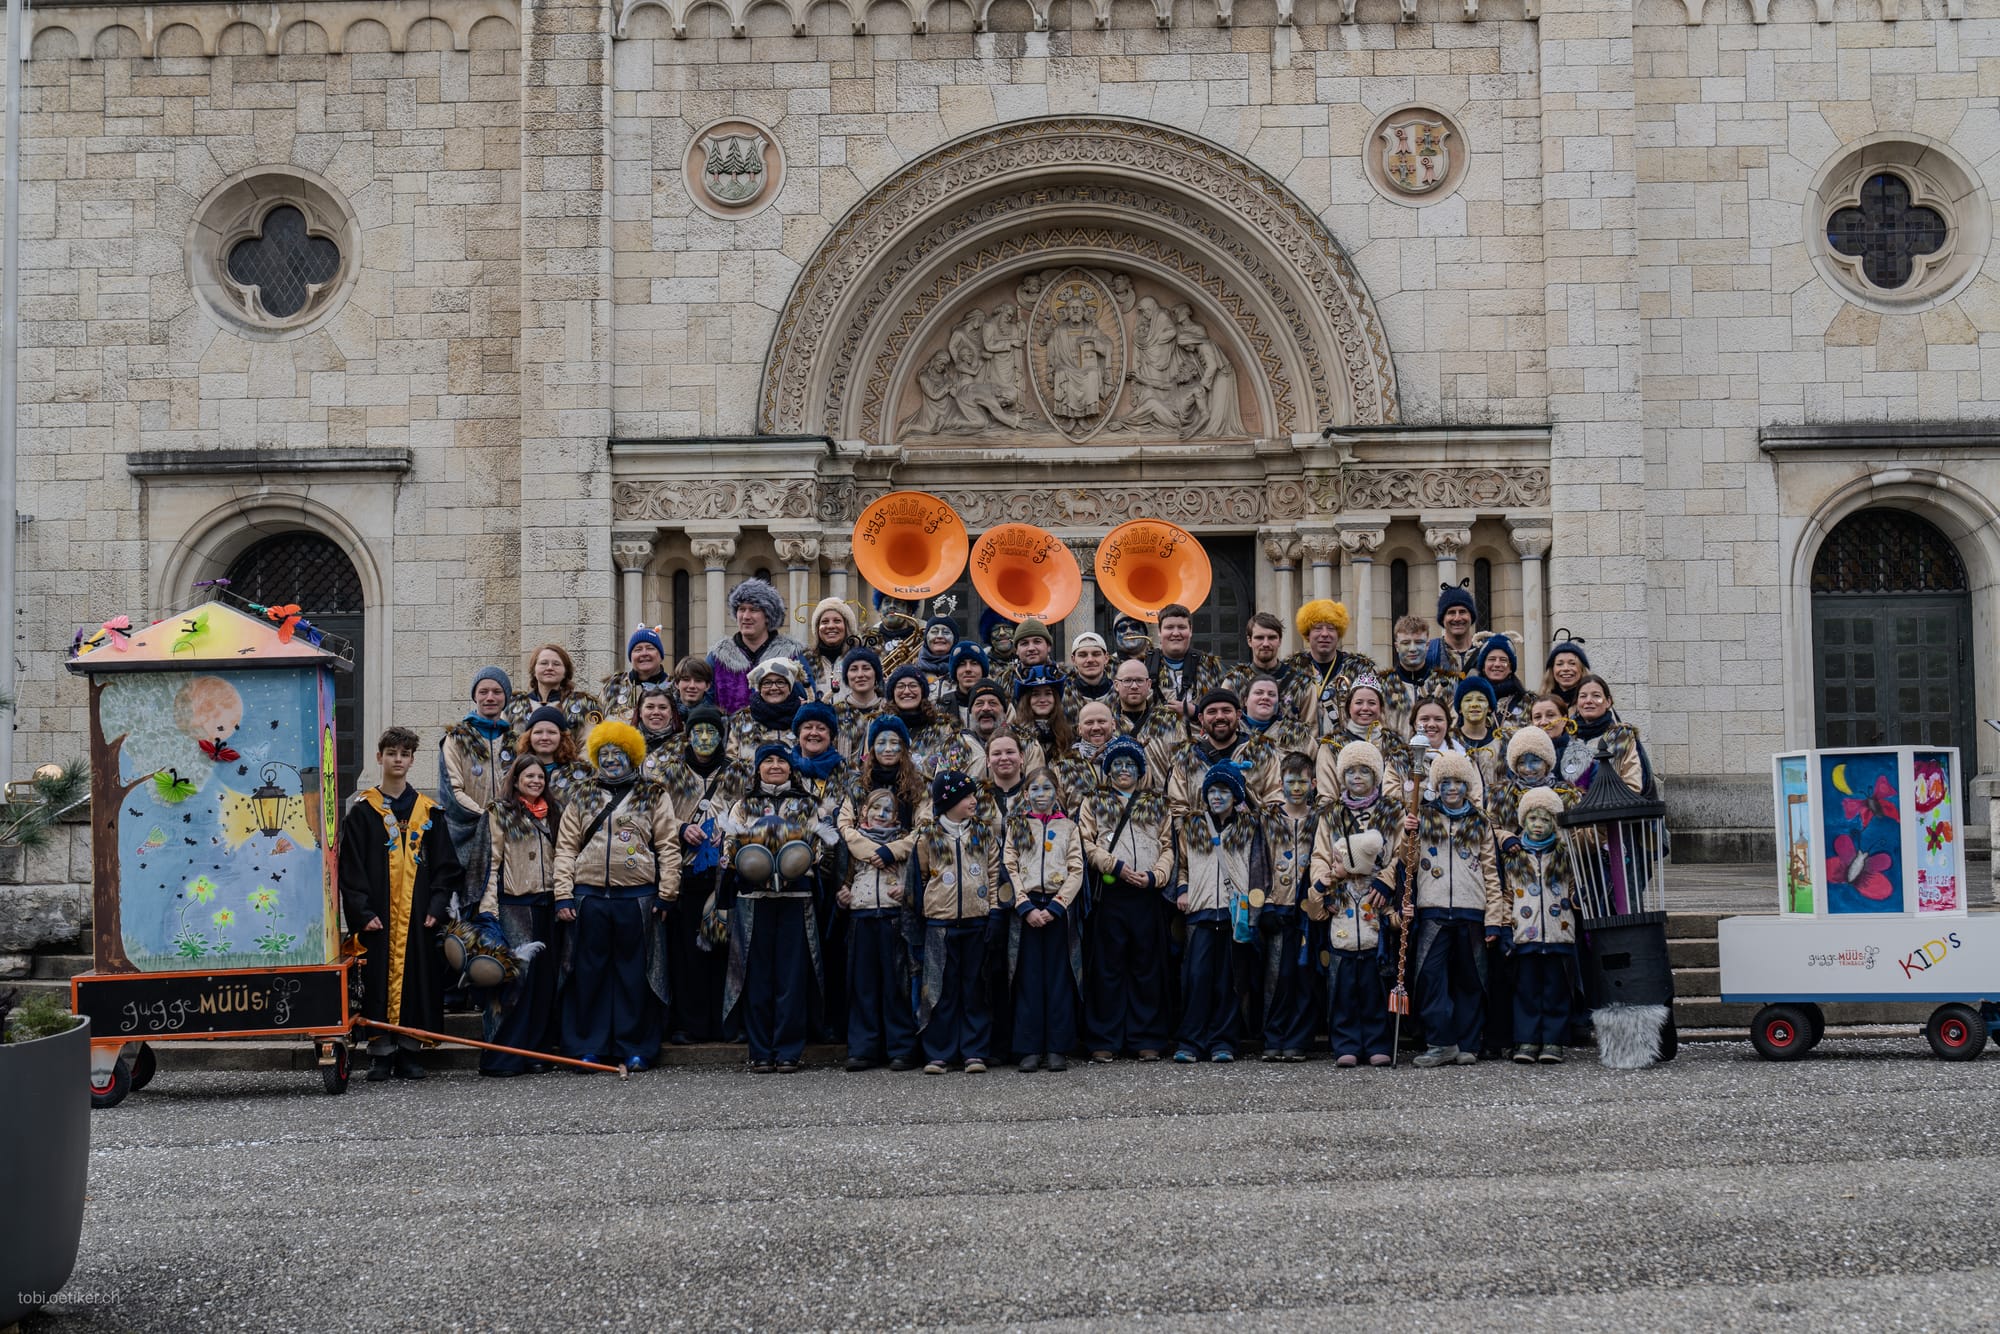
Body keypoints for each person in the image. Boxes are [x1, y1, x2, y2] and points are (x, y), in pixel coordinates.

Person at [340, 727, 466, 1082]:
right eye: (391, 753)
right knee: (378, 980)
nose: (398, 759)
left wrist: (437, 906)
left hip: (417, 914)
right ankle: (380, 1052)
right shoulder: (363, 812)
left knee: (417, 980)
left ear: (412, 760)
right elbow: (351, 868)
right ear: (379, 757)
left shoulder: (429, 812)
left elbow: (446, 867)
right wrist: (362, 912)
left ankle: (411, 1049)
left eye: (405, 754)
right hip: (379, 914)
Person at [555, 720, 679, 1072]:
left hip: (636, 897)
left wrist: (668, 892)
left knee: (633, 975)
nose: (611, 760)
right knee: (588, 974)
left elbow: (667, 845)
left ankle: (634, 1045)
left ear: (632, 756)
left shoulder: (654, 793)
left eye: (618, 753)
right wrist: (563, 895)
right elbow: (565, 848)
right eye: (604, 753)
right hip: (589, 897)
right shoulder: (582, 794)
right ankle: (587, 1046)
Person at [720, 744, 828, 1073]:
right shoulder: (744, 805)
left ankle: (788, 1049)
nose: (776, 765)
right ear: (758, 768)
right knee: (757, 976)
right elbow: (729, 843)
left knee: (792, 976)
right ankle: (760, 1049)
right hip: (754, 899)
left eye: (782, 760)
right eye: (768, 760)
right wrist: (747, 857)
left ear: (791, 767)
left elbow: (820, 846)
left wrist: (797, 856)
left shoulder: (807, 804)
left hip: (796, 898)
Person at [1402, 750, 1503, 1068]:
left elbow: (1491, 871)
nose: (1452, 789)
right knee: (1430, 977)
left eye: (1458, 782)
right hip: (1433, 908)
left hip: (1471, 907)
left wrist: (1494, 919)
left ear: (1467, 786)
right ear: (1437, 786)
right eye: (1445, 782)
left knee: (1471, 978)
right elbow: (1408, 862)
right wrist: (1408, 834)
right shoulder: (1423, 815)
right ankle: (1441, 1041)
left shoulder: (1479, 820)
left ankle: (1469, 1042)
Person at [649, 701, 740, 1044]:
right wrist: (681, 826)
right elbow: (654, 817)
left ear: (721, 736)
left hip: (725, 874)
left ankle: (724, 1021)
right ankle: (689, 1023)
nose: (704, 737)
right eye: (698, 732)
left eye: (711, 732)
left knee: (723, 949)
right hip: (684, 872)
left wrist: (730, 832)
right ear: (687, 737)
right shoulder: (669, 774)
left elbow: (749, 811)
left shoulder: (738, 772)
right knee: (688, 952)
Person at [1080, 737, 1175, 1062]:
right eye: (1117, 764)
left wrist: (1155, 877)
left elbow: (1167, 846)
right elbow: (1086, 843)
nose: (1123, 770)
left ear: (1140, 769)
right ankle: (1104, 1037)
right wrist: (1114, 866)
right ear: (1108, 770)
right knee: (1108, 967)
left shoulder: (1155, 803)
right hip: (1111, 892)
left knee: (1146, 967)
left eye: (1130, 764)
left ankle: (1146, 1037)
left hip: (1146, 893)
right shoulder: (1093, 802)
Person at [906, 769, 1003, 1074]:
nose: (975, 800)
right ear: (948, 801)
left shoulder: (983, 833)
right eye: (968, 796)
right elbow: (918, 880)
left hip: (977, 921)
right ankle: (939, 1052)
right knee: (941, 991)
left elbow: (995, 873)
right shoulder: (927, 836)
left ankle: (974, 1051)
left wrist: (995, 911)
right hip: (940, 926)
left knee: (975, 989)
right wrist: (921, 920)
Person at [1307, 740, 1398, 1068]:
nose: (1357, 777)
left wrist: (1387, 881)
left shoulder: (1390, 813)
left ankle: (1377, 1041)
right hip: (1343, 905)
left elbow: (1401, 854)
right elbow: (1319, 855)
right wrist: (1326, 884)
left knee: (1375, 984)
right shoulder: (1331, 815)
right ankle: (1345, 1041)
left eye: (1364, 771)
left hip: (1374, 905)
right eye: (1350, 772)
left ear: (1376, 775)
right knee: (1344, 985)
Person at [1171, 765, 1267, 1064]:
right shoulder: (1192, 826)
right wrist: (1183, 890)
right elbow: (1183, 865)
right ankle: (1191, 1041)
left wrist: (1253, 907)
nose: (1216, 797)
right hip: (1200, 911)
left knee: (1229, 980)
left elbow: (1257, 868)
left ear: (1236, 796)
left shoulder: (1250, 827)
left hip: (1233, 912)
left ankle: (1223, 1041)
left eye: (1224, 791)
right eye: (1212, 791)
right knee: (1197, 978)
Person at [475, 755, 562, 1077]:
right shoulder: (500, 812)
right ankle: (504, 1056)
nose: (536, 781)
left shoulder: (553, 813)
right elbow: (490, 863)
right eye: (529, 776)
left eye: (540, 776)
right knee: (514, 985)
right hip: (513, 906)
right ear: (516, 779)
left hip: (547, 905)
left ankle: (536, 1052)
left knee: (542, 986)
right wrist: (488, 913)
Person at [1003, 767, 1085, 1072]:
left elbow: (1076, 869)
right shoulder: (1018, 826)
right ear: (1026, 794)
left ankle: (1057, 1046)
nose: (1041, 795)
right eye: (1034, 789)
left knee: (1058, 977)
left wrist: (1057, 906)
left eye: (1047, 789)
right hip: (1027, 909)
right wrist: (1024, 905)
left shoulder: (1069, 828)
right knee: (1029, 978)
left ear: (1057, 793)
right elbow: (1009, 865)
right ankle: (1028, 1046)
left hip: (1057, 908)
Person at [837, 779, 922, 1073]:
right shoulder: (852, 844)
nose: (882, 814)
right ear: (863, 813)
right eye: (875, 808)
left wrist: (905, 890)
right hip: (861, 916)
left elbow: (916, 877)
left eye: (888, 809)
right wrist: (842, 894)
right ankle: (863, 1047)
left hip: (892, 917)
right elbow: (844, 877)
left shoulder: (905, 843)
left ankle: (901, 1047)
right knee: (863, 985)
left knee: (896, 984)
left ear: (897, 817)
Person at [1503, 786, 1580, 1064]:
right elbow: (1506, 895)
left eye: (1545, 820)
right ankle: (1526, 1039)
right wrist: (1503, 927)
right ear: (1524, 821)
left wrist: (1577, 897)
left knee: (1556, 990)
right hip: (1525, 933)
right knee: (1526, 990)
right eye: (1533, 819)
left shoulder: (1565, 854)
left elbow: (1573, 887)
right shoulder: (1514, 856)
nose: (1538, 825)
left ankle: (1553, 1041)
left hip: (1559, 933)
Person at [1256, 751, 1321, 1062]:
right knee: (1276, 976)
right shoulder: (1269, 819)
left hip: (1309, 908)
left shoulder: (1320, 819)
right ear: (1280, 783)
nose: (1296, 788)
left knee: (1304, 974)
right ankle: (1273, 1036)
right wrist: (1265, 903)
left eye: (1302, 782)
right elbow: (1260, 862)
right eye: (1291, 781)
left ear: (1313, 784)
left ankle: (1298, 1038)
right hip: (1278, 906)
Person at [439, 667, 515, 919]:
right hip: (470, 835)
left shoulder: (516, 740)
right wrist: (486, 819)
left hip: (511, 835)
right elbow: (453, 790)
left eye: (496, 691)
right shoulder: (457, 739)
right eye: (483, 691)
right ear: (475, 696)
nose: (490, 697)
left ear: (505, 696)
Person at [1166, 688, 1281, 820]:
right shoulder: (1187, 758)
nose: (1220, 716)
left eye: (1226, 710)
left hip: (1250, 838)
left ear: (1238, 715)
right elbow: (1177, 808)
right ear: (1201, 718)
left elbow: (1275, 799)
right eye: (1212, 712)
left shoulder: (1263, 754)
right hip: (1202, 839)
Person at [710, 578, 806, 715]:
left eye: (754, 610)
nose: (746, 616)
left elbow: (807, 698)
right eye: (741, 609)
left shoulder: (791, 655)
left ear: (768, 615)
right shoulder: (717, 657)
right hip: (731, 734)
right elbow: (704, 703)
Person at [1289, 600, 1373, 736]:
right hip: (1304, 750)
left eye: (1331, 628)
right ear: (1307, 633)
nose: (1324, 634)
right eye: (1318, 628)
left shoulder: (1360, 670)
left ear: (1338, 633)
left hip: (1347, 749)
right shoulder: (1292, 671)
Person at [1144, 603, 1223, 731]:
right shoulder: (1144, 665)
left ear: (1190, 631)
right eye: (1169, 627)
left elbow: (1223, 711)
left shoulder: (1209, 666)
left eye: (1182, 627)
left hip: (1198, 745)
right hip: (1153, 746)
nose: (1176, 633)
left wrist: (1195, 711)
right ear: (1159, 631)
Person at [507, 644, 604, 743]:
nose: (549, 668)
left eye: (556, 664)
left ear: (565, 672)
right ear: (534, 670)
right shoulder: (515, 704)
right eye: (543, 663)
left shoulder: (584, 705)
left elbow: (588, 745)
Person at [1381, 613, 1457, 740]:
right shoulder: (1383, 686)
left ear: (1427, 646)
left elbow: (1453, 727)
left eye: (1418, 642)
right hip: (1394, 757)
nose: (1412, 649)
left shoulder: (1446, 684)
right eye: (1406, 643)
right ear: (1397, 647)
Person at [1572, 674, 1648, 795]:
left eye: (1596, 696)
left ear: (1608, 702)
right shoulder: (1567, 738)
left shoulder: (1622, 738)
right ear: (1577, 703)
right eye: (1583, 696)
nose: (1588, 701)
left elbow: (1633, 786)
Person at [1112, 657, 1178, 784]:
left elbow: (1180, 768)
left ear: (1148, 684)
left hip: (1160, 799)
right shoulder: (1107, 723)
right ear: (1116, 685)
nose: (1134, 686)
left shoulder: (1168, 722)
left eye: (1139, 681)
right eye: (1127, 681)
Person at [728, 658, 805, 763]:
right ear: (760, 688)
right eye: (767, 683)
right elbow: (730, 758)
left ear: (790, 687)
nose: (774, 688)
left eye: (780, 682)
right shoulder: (742, 719)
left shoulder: (804, 717)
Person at [520, 704, 594, 807]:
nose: (544, 737)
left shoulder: (578, 775)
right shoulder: (518, 771)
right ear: (529, 737)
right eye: (538, 732)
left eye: (552, 732)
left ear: (562, 737)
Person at [1052, 699, 1115, 810]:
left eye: (1101, 721)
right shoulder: (1064, 768)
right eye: (1089, 723)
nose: (1096, 727)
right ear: (1079, 729)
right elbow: (1057, 812)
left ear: (1113, 725)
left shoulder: (1130, 761)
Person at [1450, 675, 1506, 798]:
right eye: (1468, 700)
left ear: (1490, 707)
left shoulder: (1503, 743)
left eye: (1481, 699)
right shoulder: (1450, 743)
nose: (1474, 704)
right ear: (1459, 708)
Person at [1224, 612, 1291, 706]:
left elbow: (1311, 720)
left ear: (1279, 641)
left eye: (1272, 638)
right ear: (1249, 641)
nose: (1266, 644)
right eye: (1259, 638)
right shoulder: (1234, 683)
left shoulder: (1298, 682)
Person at [604, 625, 672, 718]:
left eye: (650, 648)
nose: (644, 653)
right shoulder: (614, 685)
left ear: (660, 655)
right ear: (631, 657)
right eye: (638, 650)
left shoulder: (674, 686)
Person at [1012, 663, 1073, 764]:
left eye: (1048, 693)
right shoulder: (1015, 734)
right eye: (1036, 694)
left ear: (1055, 699)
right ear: (1027, 700)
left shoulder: (1067, 733)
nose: (1043, 700)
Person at [805, 596, 860, 702]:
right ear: (817, 629)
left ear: (846, 626)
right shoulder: (806, 661)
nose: (830, 626)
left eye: (837, 621)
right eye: (825, 622)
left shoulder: (860, 659)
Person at [835, 646, 887, 758]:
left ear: (875, 674)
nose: (860, 675)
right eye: (854, 669)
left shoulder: (889, 711)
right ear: (847, 676)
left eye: (866, 668)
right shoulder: (834, 712)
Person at [1427, 582, 1481, 673]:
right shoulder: (1430, 652)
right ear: (1442, 619)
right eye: (1451, 612)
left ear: (1471, 617)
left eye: (1462, 612)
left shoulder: (1486, 651)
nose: (1457, 618)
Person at [1476, 635, 1528, 725]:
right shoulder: (1469, 699)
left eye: (1503, 660)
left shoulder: (1527, 702)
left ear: (1510, 668)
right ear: (1483, 667)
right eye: (1491, 659)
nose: (1497, 664)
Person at [937, 640, 990, 728]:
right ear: (955, 671)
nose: (968, 669)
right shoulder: (943, 706)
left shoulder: (997, 704)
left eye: (974, 663)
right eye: (962, 664)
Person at [997, 616, 1055, 692]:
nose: (1031, 648)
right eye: (1024, 643)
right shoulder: (1002, 681)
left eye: (1037, 641)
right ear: (1016, 650)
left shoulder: (1067, 678)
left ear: (1048, 646)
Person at [1065, 631, 1115, 718]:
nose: (1090, 659)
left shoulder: (1120, 693)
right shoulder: (1063, 695)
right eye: (1082, 655)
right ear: (1073, 660)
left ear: (1106, 658)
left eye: (1096, 654)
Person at [1545, 631, 1590, 712]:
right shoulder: (1540, 702)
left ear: (1582, 669)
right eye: (1560, 664)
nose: (1565, 668)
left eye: (1572, 663)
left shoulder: (1594, 703)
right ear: (1552, 670)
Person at [670, 656, 716, 728]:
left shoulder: (715, 717)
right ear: (676, 683)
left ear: (707, 686)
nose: (692, 686)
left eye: (698, 680)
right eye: (686, 679)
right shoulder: (665, 713)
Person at [635, 685, 679, 755]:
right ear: (640, 712)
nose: (656, 712)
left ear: (671, 713)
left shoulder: (681, 744)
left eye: (663, 707)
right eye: (650, 707)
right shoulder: (627, 743)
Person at [916, 614, 959, 683]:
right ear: (926, 637)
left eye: (946, 632)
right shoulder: (913, 668)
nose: (940, 636)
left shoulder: (963, 669)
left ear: (955, 639)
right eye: (934, 632)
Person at [979, 610, 1018, 676]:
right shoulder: (981, 664)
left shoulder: (1025, 661)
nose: (1002, 633)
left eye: (1007, 628)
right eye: (996, 629)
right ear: (989, 637)